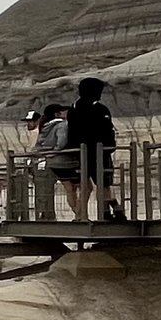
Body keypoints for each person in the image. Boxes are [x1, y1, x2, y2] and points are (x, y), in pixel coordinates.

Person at [66, 77, 119, 222]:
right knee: (104, 184)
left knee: (85, 186)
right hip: (100, 153)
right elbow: (107, 131)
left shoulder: (74, 108)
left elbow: (71, 132)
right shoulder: (100, 109)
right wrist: (110, 146)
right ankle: (107, 212)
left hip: (80, 153)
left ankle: (80, 216)